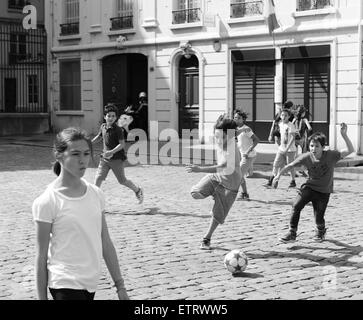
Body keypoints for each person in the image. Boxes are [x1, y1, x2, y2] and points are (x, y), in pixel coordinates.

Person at [32, 127, 129, 300]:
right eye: (75, 154)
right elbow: (40, 256)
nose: (83, 160)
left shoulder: (96, 194)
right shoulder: (47, 201)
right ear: (59, 156)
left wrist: (120, 286)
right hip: (64, 282)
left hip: (90, 282)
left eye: (86, 154)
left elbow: (105, 241)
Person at [274, 123, 354, 242]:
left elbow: (350, 150)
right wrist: (277, 176)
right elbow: (290, 166)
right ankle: (292, 233)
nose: (313, 149)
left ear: (323, 147)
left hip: (324, 192)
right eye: (311, 146)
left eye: (316, 146)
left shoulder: (331, 155)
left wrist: (344, 135)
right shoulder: (306, 156)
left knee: (319, 218)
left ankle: (320, 231)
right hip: (309, 188)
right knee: (296, 206)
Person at [186, 115, 242, 250]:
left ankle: (207, 238)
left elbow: (222, 165)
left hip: (230, 186)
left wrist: (199, 169)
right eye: (215, 136)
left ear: (228, 136)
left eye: (220, 137)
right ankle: (213, 193)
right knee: (195, 193)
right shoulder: (223, 139)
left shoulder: (231, 147)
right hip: (217, 178)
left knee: (218, 216)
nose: (217, 140)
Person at [92, 104, 143, 204]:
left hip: (117, 159)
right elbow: (99, 137)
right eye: (109, 116)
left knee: (122, 181)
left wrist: (111, 152)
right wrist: (89, 143)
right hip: (105, 159)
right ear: (104, 116)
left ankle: (137, 190)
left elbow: (122, 144)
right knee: (98, 178)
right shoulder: (103, 127)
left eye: (113, 116)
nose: (111, 118)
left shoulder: (118, 130)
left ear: (116, 117)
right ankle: (94, 200)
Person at [266, 108, 297, 188]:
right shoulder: (280, 124)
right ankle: (272, 179)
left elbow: (293, 138)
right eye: (282, 115)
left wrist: (287, 148)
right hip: (281, 149)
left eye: (286, 115)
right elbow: (279, 135)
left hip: (290, 150)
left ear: (289, 116)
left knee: (290, 166)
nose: (283, 117)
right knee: (276, 164)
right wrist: (276, 141)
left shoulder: (291, 125)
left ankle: (293, 180)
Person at [233, 110, 260, 200]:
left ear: (243, 119)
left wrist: (247, 151)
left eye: (238, 118)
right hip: (244, 155)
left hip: (249, 156)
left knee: (237, 175)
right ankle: (269, 177)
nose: (236, 119)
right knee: (248, 175)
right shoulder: (237, 129)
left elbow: (256, 140)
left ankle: (243, 193)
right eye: (235, 117)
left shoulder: (247, 129)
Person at [292, 105, 313, 177]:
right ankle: (302, 171)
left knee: (294, 155)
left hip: (295, 138)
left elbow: (291, 127)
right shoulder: (305, 120)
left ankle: (293, 171)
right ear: (303, 113)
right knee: (304, 155)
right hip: (302, 139)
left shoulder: (294, 119)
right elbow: (310, 128)